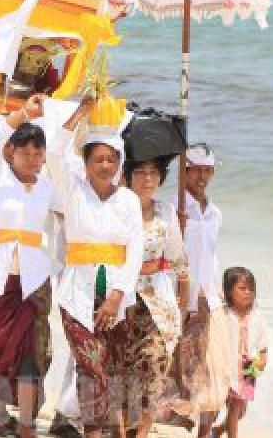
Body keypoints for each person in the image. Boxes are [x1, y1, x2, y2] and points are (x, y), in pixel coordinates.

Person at [47, 95, 144, 438]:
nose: (105, 165)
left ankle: (110, 430)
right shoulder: (72, 191)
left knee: (114, 370)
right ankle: (93, 433)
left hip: (117, 298)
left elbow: (135, 252)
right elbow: (55, 152)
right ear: (86, 163)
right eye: (98, 159)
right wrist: (80, 113)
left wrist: (117, 297)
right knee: (91, 368)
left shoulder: (129, 201)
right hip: (77, 293)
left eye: (111, 159)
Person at [0, 95, 58, 436]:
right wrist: (24, 113)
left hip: (32, 281)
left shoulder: (49, 187)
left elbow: (76, 209)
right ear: (11, 152)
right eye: (25, 152)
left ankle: (26, 424)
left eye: (39, 153)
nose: (32, 159)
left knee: (31, 352)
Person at [114, 155, 188, 438]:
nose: (147, 179)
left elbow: (177, 258)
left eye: (153, 173)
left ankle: (142, 432)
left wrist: (183, 302)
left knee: (155, 367)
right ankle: (121, 432)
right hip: (120, 299)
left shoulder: (166, 212)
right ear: (128, 176)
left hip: (156, 300)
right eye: (141, 172)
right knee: (119, 370)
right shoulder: (116, 210)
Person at [174, 143, 224, 427]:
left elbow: (211, 257)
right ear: (185, 172)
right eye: (196, 171)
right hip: (179, 296)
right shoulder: (174, 208)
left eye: (208, 171)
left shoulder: (214, 212)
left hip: (206, 298)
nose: (202, 177)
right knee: (175, 361)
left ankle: (196, 422)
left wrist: (215, 295)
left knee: (200, 365)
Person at [210, 267, 268, 438]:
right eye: (242, 288)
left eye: (251, 289)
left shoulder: (257, 315)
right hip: (226, 366)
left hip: (249, 366)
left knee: (240, 411)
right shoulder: (224, 314)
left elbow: (263, 342)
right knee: (229, 407)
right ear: (229, 290)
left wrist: (263, 358)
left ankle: (218, 431)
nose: (248, 292)